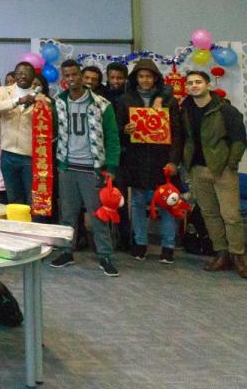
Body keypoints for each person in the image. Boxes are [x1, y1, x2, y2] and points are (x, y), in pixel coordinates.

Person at [47, 60, 121, 277]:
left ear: (81, 75)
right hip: (67, 166)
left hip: (92, 168)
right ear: (63, 78)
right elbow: (51, 131)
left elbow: (112, 137)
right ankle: (66, 251)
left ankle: (105, 255)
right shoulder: (58, 103)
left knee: (98, 215)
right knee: (68, 214)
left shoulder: (101, 104)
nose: (71, 79)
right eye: (67, 75)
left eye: (75, 74)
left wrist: (111, 167)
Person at [112, 59, 182, 263]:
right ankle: (140, 243)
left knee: (168, 202)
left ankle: (168, 247)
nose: (145, 80)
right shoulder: (125, 100)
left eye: (149, 76)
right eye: (141, 76)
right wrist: (125, 130)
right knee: (138, 202)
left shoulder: (168, 100)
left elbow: (177, 133)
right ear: (135, 78)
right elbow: (116, 130)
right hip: (136, 159)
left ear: (155, 78)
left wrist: (174, 161)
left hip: (162, 158)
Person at [179, 70, 246, 276]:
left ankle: (239, 256)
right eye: (190, 83)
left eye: (198, 82)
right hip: (198, 169)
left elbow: (239, 139)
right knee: (210, 214)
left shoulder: (225, 110)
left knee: (231, 216)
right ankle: (221, 254)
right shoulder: (185, 111)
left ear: (208, 85)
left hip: (222, 170)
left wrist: (231, 164)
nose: (194, 85)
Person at [0, 61, 46, 205]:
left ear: (33, 77)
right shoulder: (4, 91)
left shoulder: (40, 98)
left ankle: (32, 221)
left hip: (30, 156)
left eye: (27, 73)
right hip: (7, 154)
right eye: (19, 73)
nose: (23, 76)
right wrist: (18, 101)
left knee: (32, 198)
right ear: (15, 75)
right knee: (13, 198)